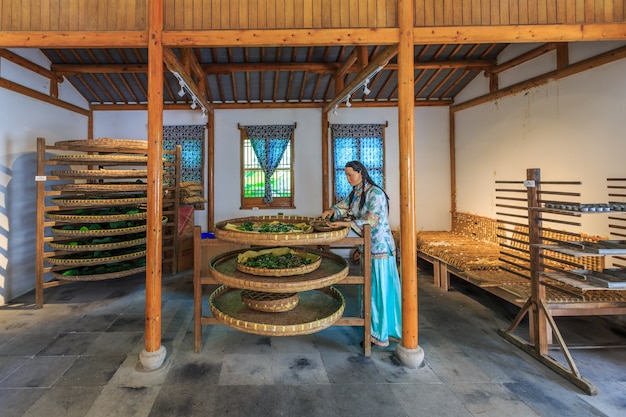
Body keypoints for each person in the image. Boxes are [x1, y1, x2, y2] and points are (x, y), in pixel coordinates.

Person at [322, 160, 402, 347]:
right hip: (367, 247)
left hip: (380, 248)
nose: (348, 178)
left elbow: (371, 220)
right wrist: (331, 211)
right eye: (346, 175)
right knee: (369, 289)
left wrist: (344, 223)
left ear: (361, 172)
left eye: (351, 174)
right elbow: (343, 206)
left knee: (379, 290)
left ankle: (380, 332)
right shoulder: (356, 193)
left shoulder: (376, 193)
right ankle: (370, 325)